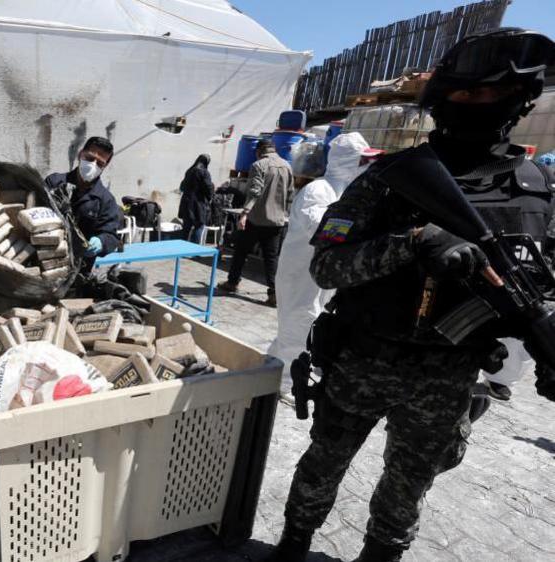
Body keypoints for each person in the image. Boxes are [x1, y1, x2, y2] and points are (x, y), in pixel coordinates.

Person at [268, 28, 555, 562]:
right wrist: (413, 243)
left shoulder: (534, 187)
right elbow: (327, 264)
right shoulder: (395, 177)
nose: (474, 106)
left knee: (409, 485)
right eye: (464, 94)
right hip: (366, 357)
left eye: (489, 95)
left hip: (450, 373)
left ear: (520, 101)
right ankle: (293, 546)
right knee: (323, 465)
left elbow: (540, 276)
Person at [266, 133, 378, 393]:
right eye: (364, 161)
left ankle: (268, 368)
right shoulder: (318, 191)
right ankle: (284, 386)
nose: (368, 166)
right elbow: (324, 230)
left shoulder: (347, 193)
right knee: (300, 328)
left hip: (321, 278)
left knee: (298, 327)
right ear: (349, 161)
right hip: (301, 278)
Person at [219, 139, 295, 307]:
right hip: (276, 222)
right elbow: (290, 193)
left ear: (260, 150)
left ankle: (232, 283)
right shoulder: (287, 166)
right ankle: (273, 294)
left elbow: (255, 191)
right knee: (271, 259)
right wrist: (286, 215)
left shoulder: (258, 165)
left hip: (256, 219)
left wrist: (245, 213)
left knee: (240, 252)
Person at [44, 136, 123, 268]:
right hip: (45, 258)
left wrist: (101, 242)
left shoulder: (106, 200)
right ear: (81, 154)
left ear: (105, 166)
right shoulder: (54, 182)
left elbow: (111, 236)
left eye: (99, 163)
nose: (93, 165)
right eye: (90, 158)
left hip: (79, 267)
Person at [178, 154, 215, 242]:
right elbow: (209, 188)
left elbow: (182, 187)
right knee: (199, 226)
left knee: (186, 228)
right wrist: (210, 197)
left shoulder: (189, 171)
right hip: (198, 205)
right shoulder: (204, 172)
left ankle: (181, 249)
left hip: (186, 203)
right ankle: (195, 251)